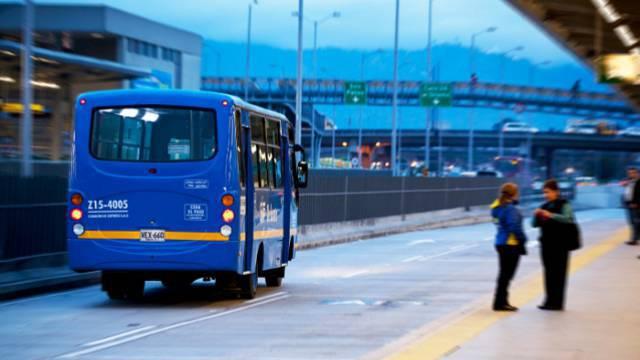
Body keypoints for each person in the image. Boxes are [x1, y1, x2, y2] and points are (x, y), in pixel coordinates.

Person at [533, 179, 574, 311]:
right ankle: (548, 300)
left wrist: (551, 215)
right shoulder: (544, 205)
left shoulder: (564, 204)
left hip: (561, 244)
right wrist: (536, 216)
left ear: (556, 191)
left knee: (560, 273)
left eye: (548, 192)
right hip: (546, 244)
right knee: (549, 272)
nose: (546, 195)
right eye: (544, 192)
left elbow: (568, 218)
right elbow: (533, 225)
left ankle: (558, 302)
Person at [491, 183, 527, 311]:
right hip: (510, 244)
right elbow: (514, 227)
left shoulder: (497, 207)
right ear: (514, 194)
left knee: (503, 274)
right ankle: (500, 303)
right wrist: (523, 240)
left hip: (500, 243)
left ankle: (500, 301)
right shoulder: (511, 209)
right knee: (507, 275)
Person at [622, 167, 640, 245]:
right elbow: (629, 191)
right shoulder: (630, 181)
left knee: (636, 222)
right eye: (629, 173)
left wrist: (636, 203)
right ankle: (634, 238)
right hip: (629, 204)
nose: (631, 174)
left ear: (637, 173)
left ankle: (634, 239)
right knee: (632, 222)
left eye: (633, 173)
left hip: (635, 205)